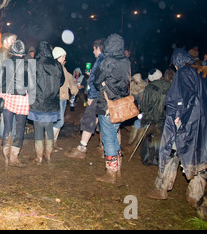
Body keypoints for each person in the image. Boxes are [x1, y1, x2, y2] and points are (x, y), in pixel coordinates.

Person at [147, 48, 207, 208]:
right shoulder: (201, 73)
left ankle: (161, 188)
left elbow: (181, 97)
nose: (175, 68)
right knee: (198, 156)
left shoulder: (185, 72)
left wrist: (178, 114)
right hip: (200, 123)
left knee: (172, 150)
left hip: (185, 122)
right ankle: (195, 196)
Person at [94, 33, 131, 183]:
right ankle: (118, 168)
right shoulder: (126, 61)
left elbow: (97, 81)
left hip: (108, 105)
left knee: (108, 138)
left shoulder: (107, 61)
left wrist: (103, 84)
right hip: (121, 106)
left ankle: (111, 173)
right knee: (114, 136)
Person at [65, 38, 105, 159]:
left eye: (94, 49)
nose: (93, 51)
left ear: (98, 48)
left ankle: (82, 148)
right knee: (102, 121)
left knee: (89, 120)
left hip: (97, 97)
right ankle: (104, 148)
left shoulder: (101, 60)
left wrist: (91, 96)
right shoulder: (109, 60)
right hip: (105, 98)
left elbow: (95, 81)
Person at [0, 39, 32, 167]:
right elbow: (32, 86)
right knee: (20, 128)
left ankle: (6, 154)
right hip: (22, 99)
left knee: (7, 127)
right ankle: (14, 156)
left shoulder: (6, 63)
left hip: (8, 97)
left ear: (12, 51)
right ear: (23, 52)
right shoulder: (28, 65)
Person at [28, 41, 63, 165]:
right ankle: (48, 156)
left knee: (38, 130)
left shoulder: (34, 64)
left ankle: (39, 158)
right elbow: (61, 81)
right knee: (49, 129)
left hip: (38, 102)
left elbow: (28, 82)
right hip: (52, 103)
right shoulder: (57, 64)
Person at [138, 68, 170, 166]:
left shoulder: (150, 88)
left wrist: (144, 115)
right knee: (162, 138)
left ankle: (149, 158)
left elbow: (144, 105)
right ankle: (161, 158)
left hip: (153, 117)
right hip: (166, 118)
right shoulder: (170, 85)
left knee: (150, 137)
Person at [51, 47, 78, 151]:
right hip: (58, 97)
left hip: (63, 97)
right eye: (63, 57)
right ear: (58, 57)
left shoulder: (62, 67)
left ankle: (54, 142)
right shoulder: (55, 68)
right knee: (59, 122)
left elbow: (69, 78)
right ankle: (51, 143)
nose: (65, 59)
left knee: (58, 121)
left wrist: (74, 89)